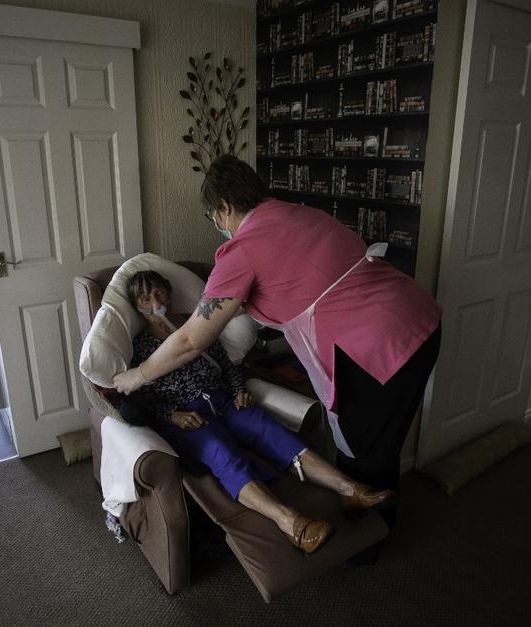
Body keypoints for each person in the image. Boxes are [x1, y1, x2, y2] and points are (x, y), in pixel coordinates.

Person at [114, 155, 442, 531]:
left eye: (214, 217)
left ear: (224, 208)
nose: (219, 226)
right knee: (383, 442)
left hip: (376, 346)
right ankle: (368, 524)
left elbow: (192, 340)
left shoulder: (243, 248)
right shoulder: (304, 214)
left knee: (366, 451)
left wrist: (137, 375)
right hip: (420, 320)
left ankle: (366, 548)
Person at [121, 270, 396, 555]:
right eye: (145, 298)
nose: (155, 301)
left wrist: (239, 389)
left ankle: (350, 491)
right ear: (137, 306)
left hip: (225, 400)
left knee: (269, 430)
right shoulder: (140, 347)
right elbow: (141, 397)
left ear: (168, 291)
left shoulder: (194, 325)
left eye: (159, 292)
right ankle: (292, 525)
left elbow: (227, 366)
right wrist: (171, 416)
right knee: (221, 453)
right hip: (188, 417)